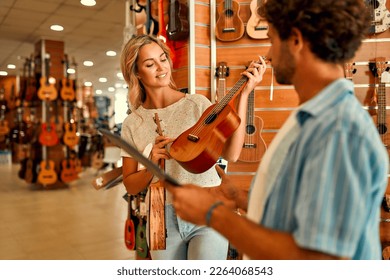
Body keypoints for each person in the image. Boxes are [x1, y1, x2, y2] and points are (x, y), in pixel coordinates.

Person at [165, 0, 389, 260]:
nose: (270, 55)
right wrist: (238, 196)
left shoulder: (338, 130)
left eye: (271, 40)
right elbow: (297, 215)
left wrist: (213, 215)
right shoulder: (311, 119)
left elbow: (322, 261)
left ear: (295, 40)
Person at [119, 34, 266, 260]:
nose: (161, 67)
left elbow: (232, 153)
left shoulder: (196, 104)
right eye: (150, 64)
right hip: (162, 214)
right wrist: (152, 167)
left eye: (163, 59)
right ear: (136, 72)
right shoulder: (132, 123)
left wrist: (245, 93)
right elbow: (130, 185)